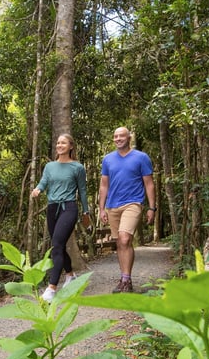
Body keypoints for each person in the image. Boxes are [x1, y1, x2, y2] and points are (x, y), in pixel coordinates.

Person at [31, 133, 91, 302]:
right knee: (59, 246)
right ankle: (70, 276)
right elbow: (43, 182)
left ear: (71, 146)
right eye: (58, 142)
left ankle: (51, 288)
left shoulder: (77, 167)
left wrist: (86, 212)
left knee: (56, 245)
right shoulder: (49, 166)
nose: (59, 145)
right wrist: (38, 190)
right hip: (52, 208)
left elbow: (83, 190)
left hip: (69, 208)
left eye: (63, 143)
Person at [98, 127, 156, 293]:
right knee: (119, 243)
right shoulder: (108, 159)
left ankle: (127, 279)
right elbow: (104, 185)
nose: (117, 139)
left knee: (124, 239)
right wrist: (101, 208)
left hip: (133, 203)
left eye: (121, 136)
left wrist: (152, 207)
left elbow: (149, 183)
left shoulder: (141, 157)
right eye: (115, 136)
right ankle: (124, 279)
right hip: (112, 205)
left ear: (129, 137)